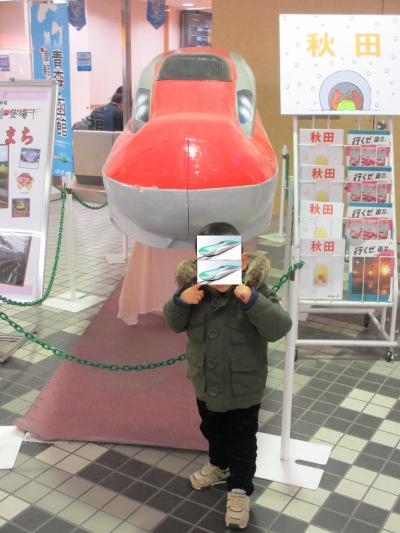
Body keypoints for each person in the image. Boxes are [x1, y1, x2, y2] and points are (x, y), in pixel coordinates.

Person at [163, 222, 292, 530]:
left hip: (243, 389)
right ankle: (219, 465)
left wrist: (254, 302)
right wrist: (180, 301)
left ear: (242, 261)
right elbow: (173, 323)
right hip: (206, 385)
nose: (219, 276)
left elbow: (280, 326)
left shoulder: (256, 291)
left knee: (242, 442)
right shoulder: (194, 291)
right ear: (200, 264)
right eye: (212, 264)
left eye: (227, 264)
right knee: (212, 429)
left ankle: (239, 489)